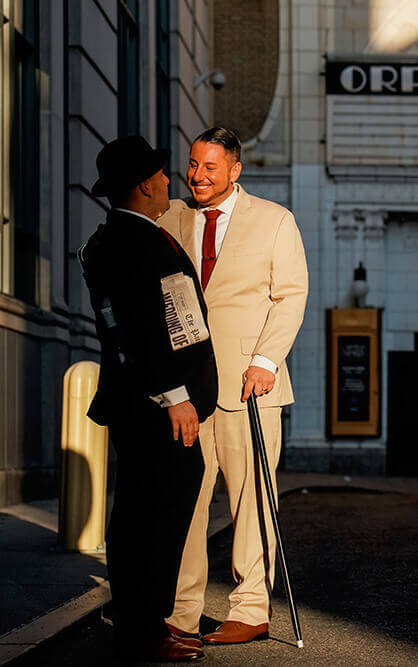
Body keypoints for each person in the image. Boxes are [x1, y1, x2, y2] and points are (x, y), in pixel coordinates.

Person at [159, 127, 308, 645]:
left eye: (210, 168)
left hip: (251, 385)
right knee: (187, 502)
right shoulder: (170, 219)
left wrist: (266, 360)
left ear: (235, 170)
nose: (197, 176)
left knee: (251, 501)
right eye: (194, 165)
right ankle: (180, 612)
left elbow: (290, 295)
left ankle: (250, 608)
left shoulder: (274, 221)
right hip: (186, 391)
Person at [80, 136, 218, 662]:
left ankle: (148, 622)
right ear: (143, 185)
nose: (168, 181)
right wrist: (177, 395)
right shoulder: (133, 240)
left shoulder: (133, 235)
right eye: (161, 174)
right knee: (149, 516)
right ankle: (143, 630)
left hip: (155, 404)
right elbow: (143, 330)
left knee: (151, 509)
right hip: (158, 407)